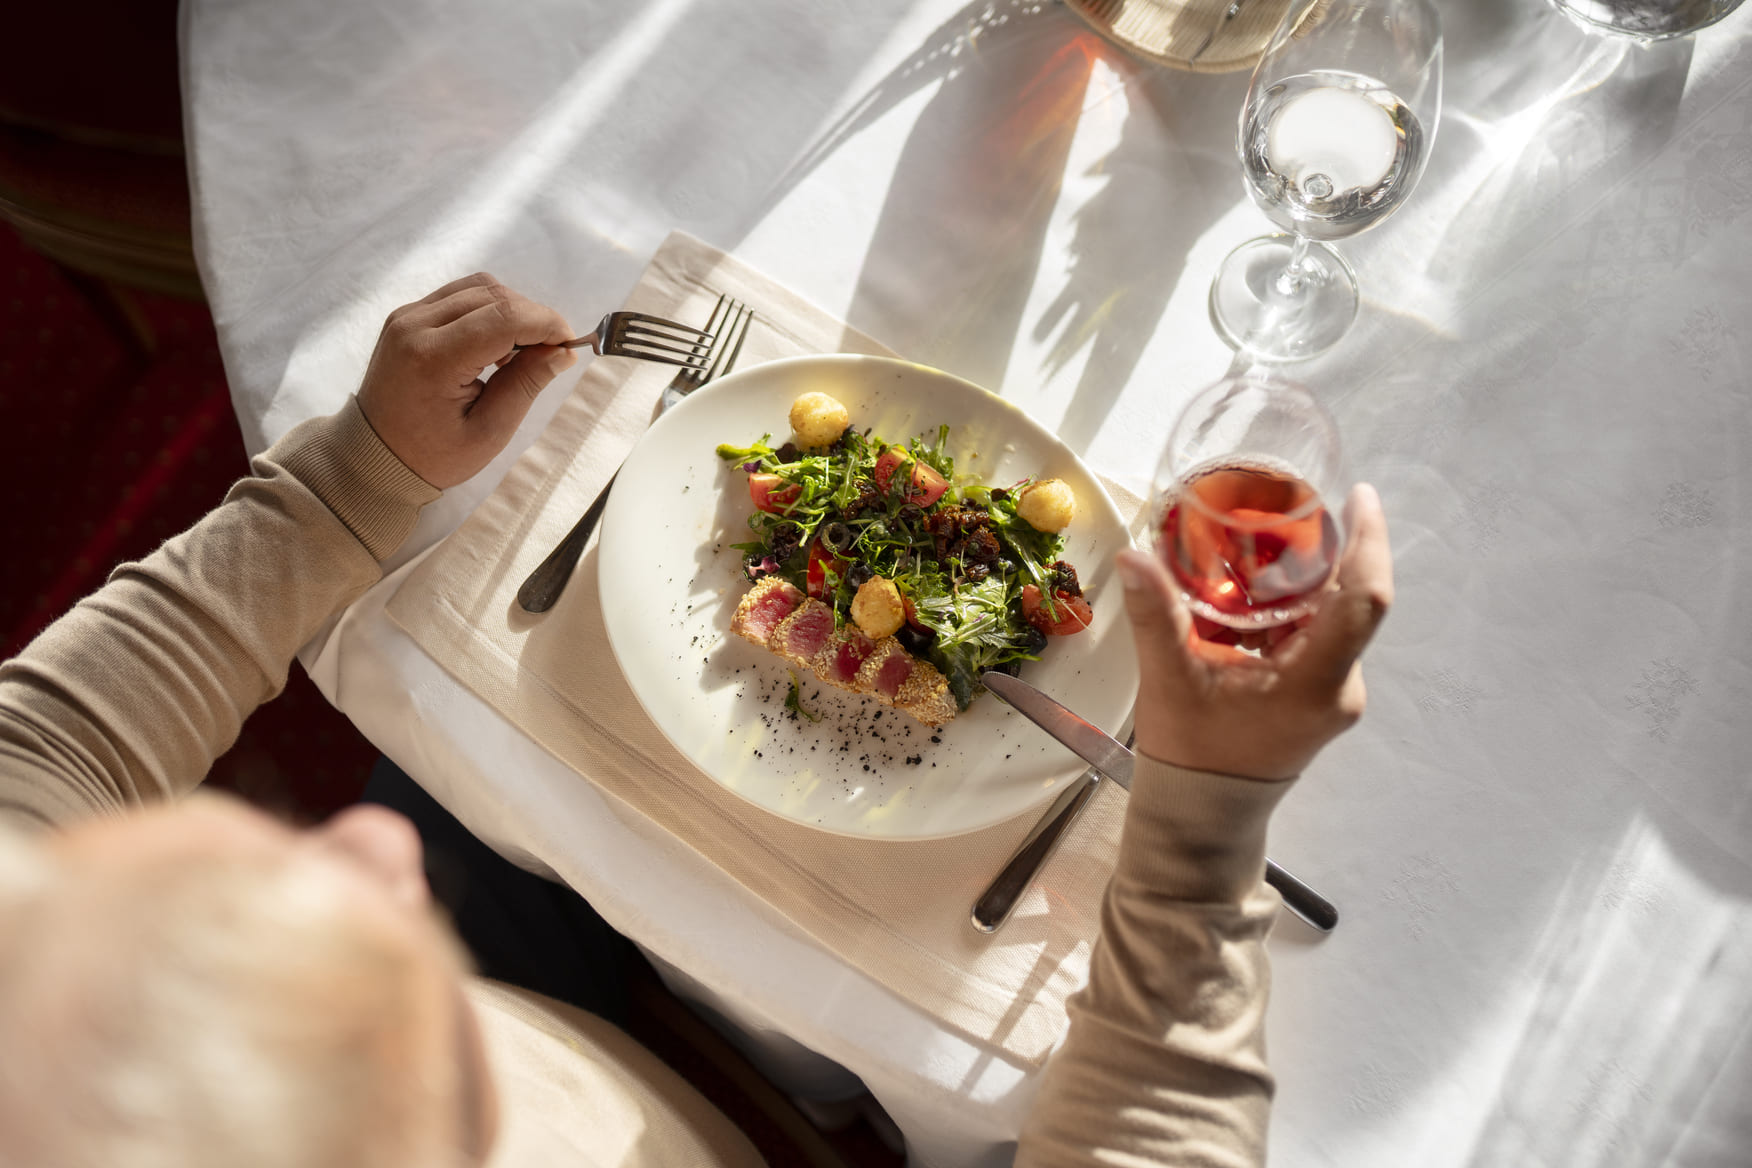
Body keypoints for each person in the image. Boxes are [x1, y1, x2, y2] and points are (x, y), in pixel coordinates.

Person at [0, 274, 1391, 1167]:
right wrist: (1206, 819)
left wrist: (351, 484)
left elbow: (39, 761)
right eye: (325, 1029)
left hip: (527, 1006)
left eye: (218, 894)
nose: (372, 854)